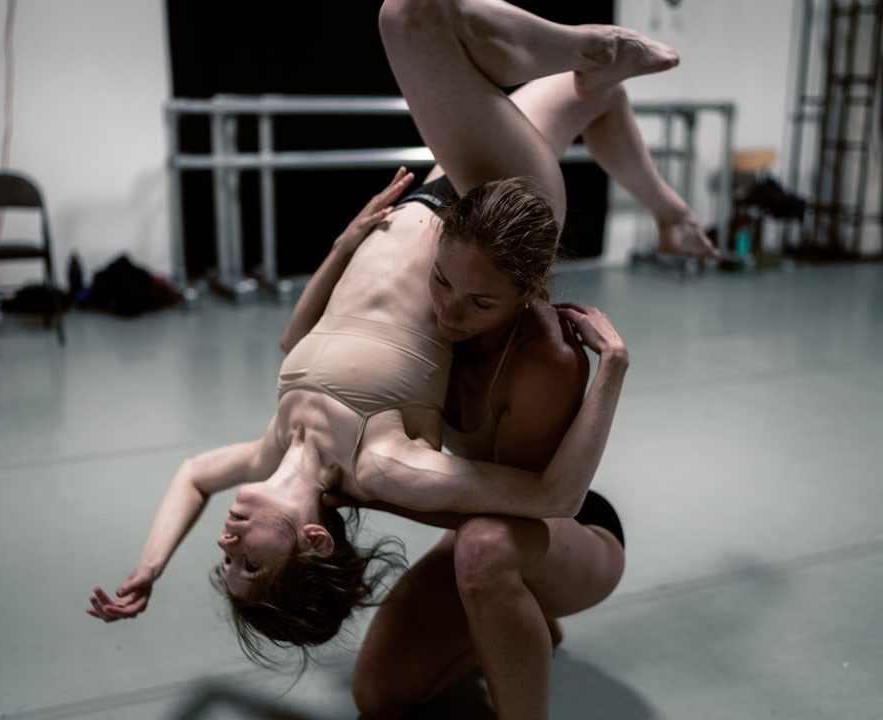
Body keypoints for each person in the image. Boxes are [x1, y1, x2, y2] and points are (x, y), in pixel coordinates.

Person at [87, 2, 706, 717]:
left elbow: (216, 445)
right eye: (248, 562)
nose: (227, 544)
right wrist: (615, 369)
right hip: (491, 216)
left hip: (440, 202)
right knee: (409, 17)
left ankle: (665, 208)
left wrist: (149, 568)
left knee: (586, 95)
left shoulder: (276, 444)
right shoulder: (379, 464)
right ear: (313, 541)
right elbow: (552, 501)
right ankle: (585, 45)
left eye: (225, 561)